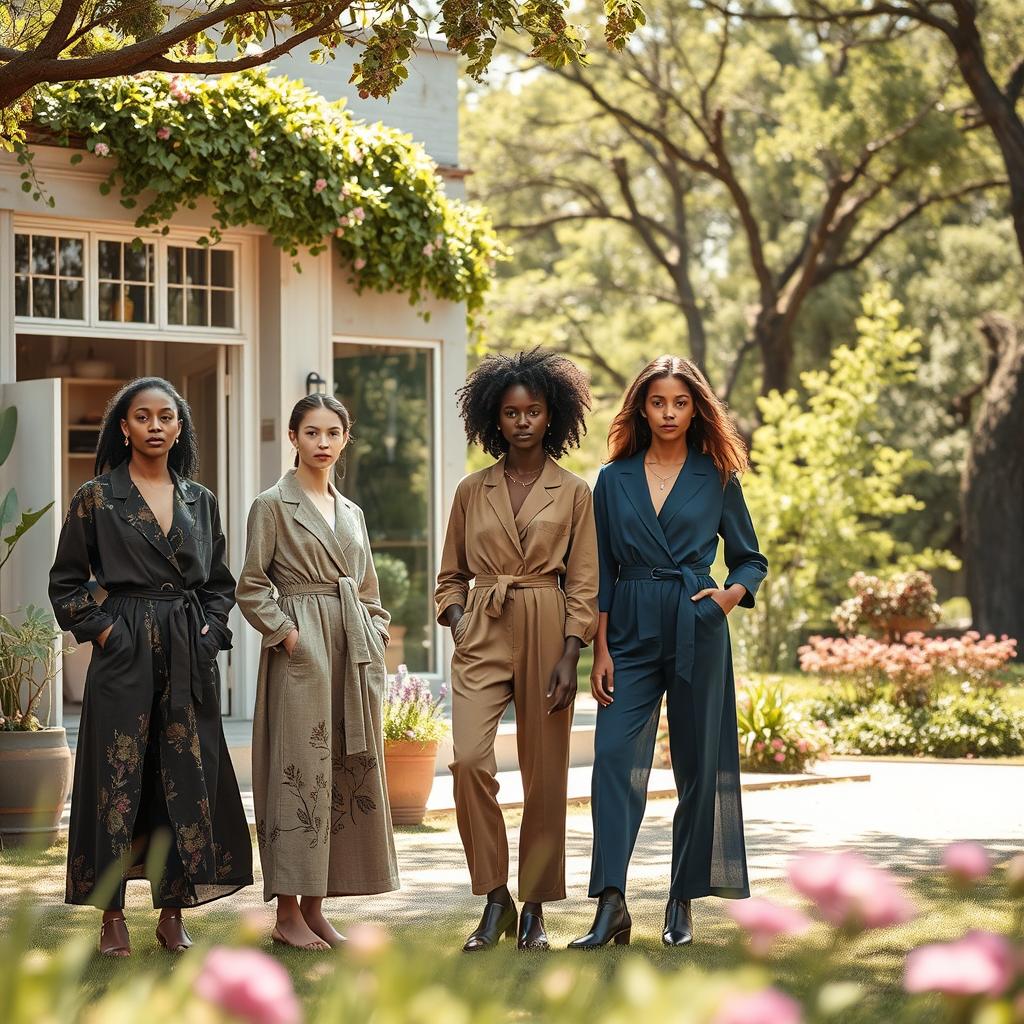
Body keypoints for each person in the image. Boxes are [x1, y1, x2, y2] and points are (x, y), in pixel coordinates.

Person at [569, 355, 768, 950]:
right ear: (641, 408)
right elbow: (601, 567)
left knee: (698, 767)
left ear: (696, 408)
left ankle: (681, 899)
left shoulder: (717, 475)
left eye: (680, 403)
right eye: (658, 402)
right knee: (612, 761)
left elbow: (750, 558)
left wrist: (727, 598)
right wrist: (601, 649)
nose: (669, 413)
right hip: (628, 628)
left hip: (695, 625)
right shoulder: (613, 478)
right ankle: (611, 903)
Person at [49, 377, 252, 958]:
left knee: (182, 776)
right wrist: (106, 630)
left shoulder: (200, 499)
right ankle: (111, 914)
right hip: (125, 649)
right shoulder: (96, 497)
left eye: (166, 416)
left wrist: (211, 633)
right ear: (124, 427)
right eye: (143, 416)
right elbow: (66, 583)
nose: (155, 426)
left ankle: (172, 913)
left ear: (179, 428)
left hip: (188, 649)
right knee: (116, 776)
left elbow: (219, 583)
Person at [435, 348, 599, 952]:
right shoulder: (471, 490)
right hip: (484, 624)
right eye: (510, 412)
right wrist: (459, 620)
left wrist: (571, 651)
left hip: (548, 624)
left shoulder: (574, 491)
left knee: (545, 775)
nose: (522, 421)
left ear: (551, 415)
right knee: (469, 761)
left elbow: (584, 580)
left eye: (533, 411)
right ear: (493, 418)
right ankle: (495, 896)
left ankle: (534, 907)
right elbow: (449, 575)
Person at [236, 394, 398, 951]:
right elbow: (251, 585)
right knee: (299, 772)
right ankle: (286, 915)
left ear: (345, 439)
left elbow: (369, 589)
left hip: (350, 650)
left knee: (340, 770)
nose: (322, 443)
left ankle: (315, 909)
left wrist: (374, 631)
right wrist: (288, 634)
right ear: (293, 437)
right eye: (311, 432)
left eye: (332, 433)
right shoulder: (272, 505)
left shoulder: (351, 512)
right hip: (301, 654)